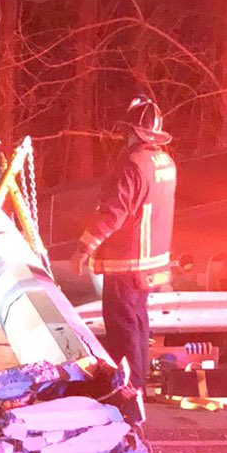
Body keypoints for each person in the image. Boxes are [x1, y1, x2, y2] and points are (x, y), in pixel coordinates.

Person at [74, 94, 177, 424]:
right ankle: (139, 385)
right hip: (151, 263)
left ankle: (130, 394)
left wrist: (84, 247)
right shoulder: (164, 161)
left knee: (123, 329)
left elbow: (113, 212)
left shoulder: (134, 163)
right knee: (139, 324)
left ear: (133, 130)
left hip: (128, 262)